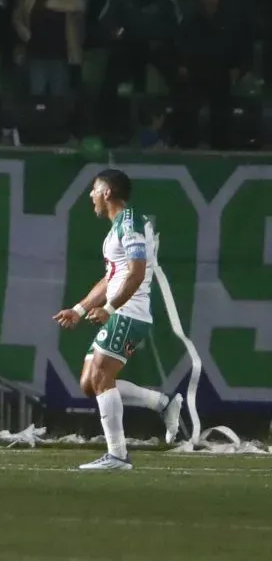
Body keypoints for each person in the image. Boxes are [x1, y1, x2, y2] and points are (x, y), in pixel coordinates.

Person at [53, 169, 183, 471]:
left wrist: (110, 309)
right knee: (90, 383)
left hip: (129, 312)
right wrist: (80, 309)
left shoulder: (131, 222)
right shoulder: (117, 229)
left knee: (100, 378)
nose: (91, 196)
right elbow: (111, 277)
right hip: (122, 310)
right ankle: (161, 403)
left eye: (94, 190)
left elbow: (137, 273)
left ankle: (118, 456)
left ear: (107, 192)